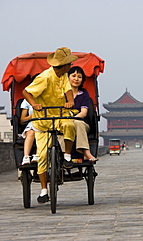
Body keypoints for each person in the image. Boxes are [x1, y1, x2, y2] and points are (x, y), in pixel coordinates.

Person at [22, 47, 78, 204]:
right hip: (44, 118)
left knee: (69, 126)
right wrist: (34, 104)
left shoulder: (64, 75)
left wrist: (70, 101)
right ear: (65, 65)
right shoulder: (45, 77)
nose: (71, 66)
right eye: (69, 64)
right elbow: (26, 92)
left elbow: (68, 90)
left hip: (60, 114)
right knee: (43, 157)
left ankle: (67, 155)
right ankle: (44, 190)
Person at [68, 66, 98, 162]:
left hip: (81, 124)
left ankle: (86, 152)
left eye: (79, 77)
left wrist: (72, 119)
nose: (76, 79)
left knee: (78, 123)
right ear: (67, 77)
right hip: (64, 123)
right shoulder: (61, 93)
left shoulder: (84, 94)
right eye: (73, 76)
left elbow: (84, 113)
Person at [20, 74, 40, 166]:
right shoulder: (26, 101)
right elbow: (22, 120)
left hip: (45, 124)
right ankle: (26, 156)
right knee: (31, 133)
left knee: (43, 134)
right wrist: (32, 116)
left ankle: (37, 155)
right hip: (32, 124)